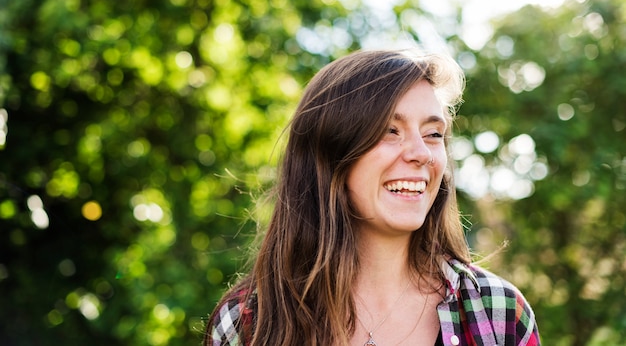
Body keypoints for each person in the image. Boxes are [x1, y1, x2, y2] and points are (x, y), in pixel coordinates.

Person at [204, 50, 540, 346]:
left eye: (433, 134)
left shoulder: (499, 314)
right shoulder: (246, 324)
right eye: (389, 131)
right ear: (331, 155)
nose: (421, 153)